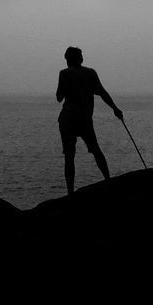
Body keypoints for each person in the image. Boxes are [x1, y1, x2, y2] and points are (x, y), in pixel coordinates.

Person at [55, 46, 123, 194]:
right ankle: (108, 180)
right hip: (84, 119)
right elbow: (102, 93)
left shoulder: (64, 74)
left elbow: (59, 97)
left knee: (69, 155)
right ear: (81, 59)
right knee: (96, 150)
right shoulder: (90, 73)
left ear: (67, 59)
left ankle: (70, 192)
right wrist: (115, 109)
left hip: (68, 119)